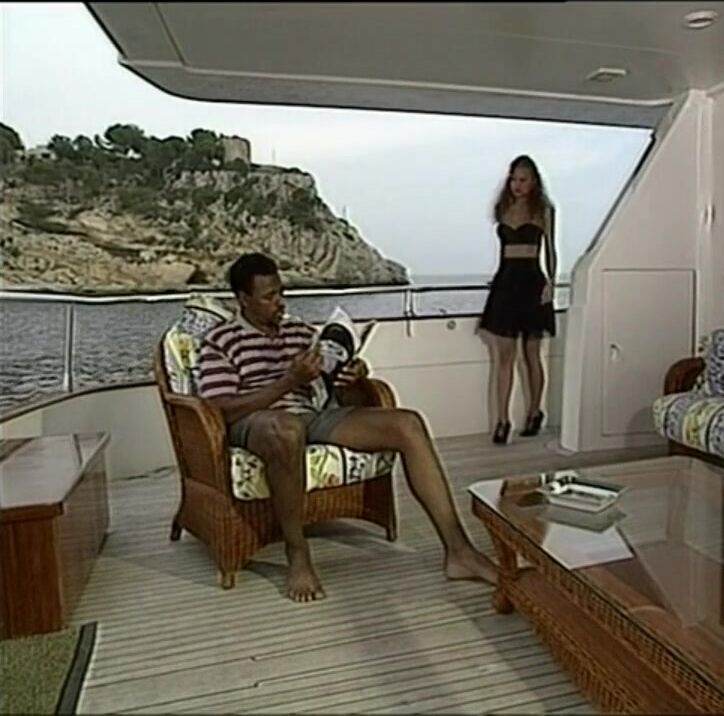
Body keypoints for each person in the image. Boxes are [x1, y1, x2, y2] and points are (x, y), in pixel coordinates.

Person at [197, 252, 496, 602]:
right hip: (258, 423)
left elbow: (340, 394)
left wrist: (353, 377)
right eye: (269, 296)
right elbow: (219, 409)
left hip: (310, 415)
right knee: (285, 429)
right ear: (243, 299)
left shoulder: (301, 333)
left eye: (281, 293)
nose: (279, 302)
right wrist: (288, 381)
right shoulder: (220, 341)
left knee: (408, 424)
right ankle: (297, 552)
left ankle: (459, 551)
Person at [478, 155, 556, 445]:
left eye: (522, 180)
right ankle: (502, 421)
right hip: (506, 281)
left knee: (532, 354)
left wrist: (551, 283)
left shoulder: (543, 210)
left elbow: (551, 250)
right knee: (504, 357)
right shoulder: (503, 208)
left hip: (532, 281)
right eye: (513, 179)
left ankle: (535, 411)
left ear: (533, 181)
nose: (517, 185)